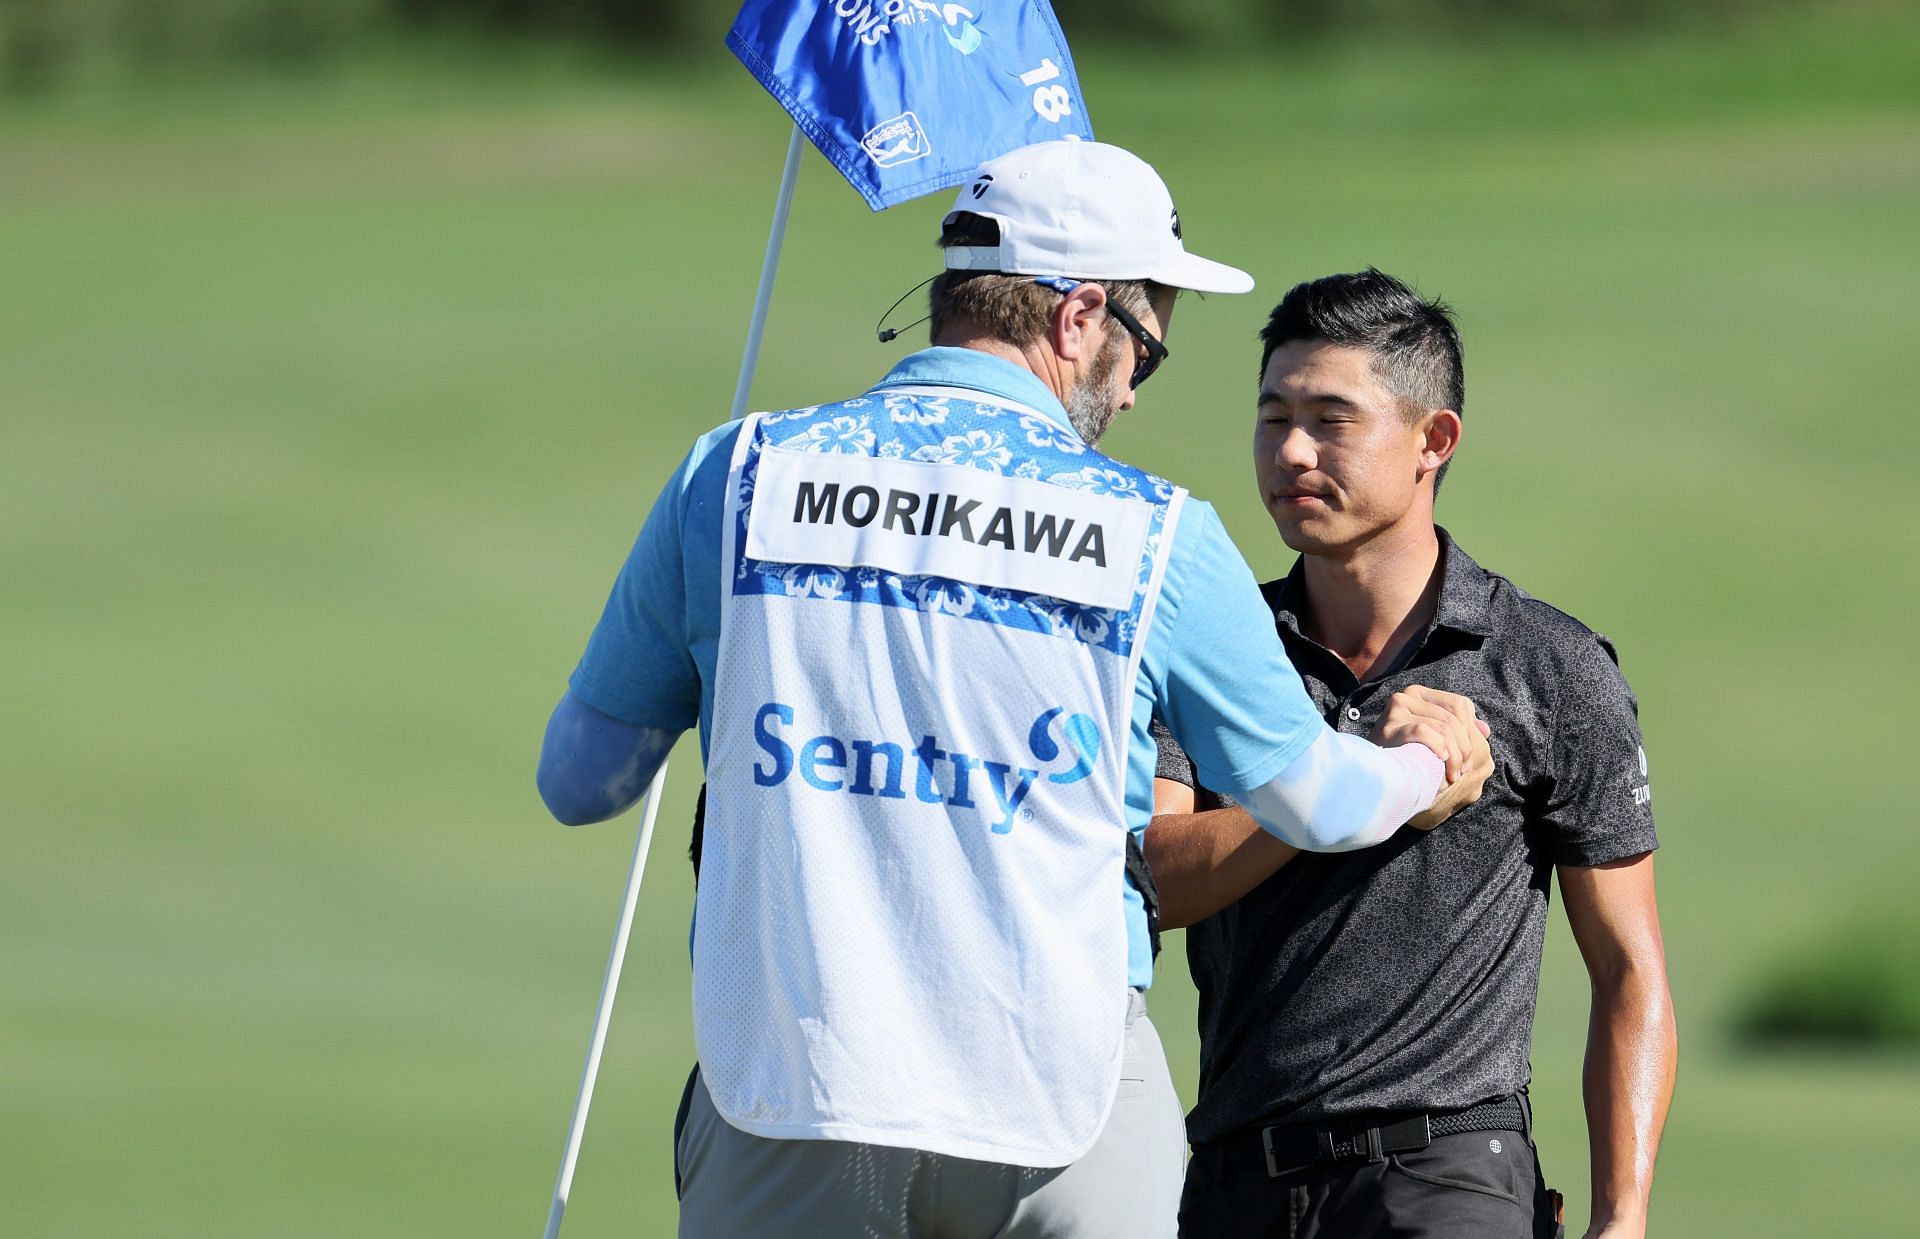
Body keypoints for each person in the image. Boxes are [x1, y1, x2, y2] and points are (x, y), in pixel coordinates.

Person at [534, 146, 1489, 1239]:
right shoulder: (1154, 532)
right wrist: (1427, 763)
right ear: (1080, 318)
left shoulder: (736, 471)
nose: (1133, 389)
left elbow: (580, 782)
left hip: (787, 1099)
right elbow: (1317, 803)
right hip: (1059, 1113)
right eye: (1148, 352)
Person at [1150, 270, 1678, 1239]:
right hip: (1235, 1180)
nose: (1292, 451)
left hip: (1449, 1177)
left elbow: (1629, 971)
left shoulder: (1550, 668)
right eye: (1273, 417)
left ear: (1434, 440)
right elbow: (1158, 880)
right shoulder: (1216, 647)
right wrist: (1348, 774)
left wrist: (1623, 1218)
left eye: (1332, 419)